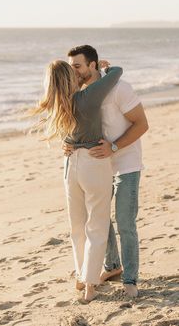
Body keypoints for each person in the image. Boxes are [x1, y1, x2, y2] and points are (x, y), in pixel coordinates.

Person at [30, 59, 123, 301]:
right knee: (97, 224)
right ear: (69, 78)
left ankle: (82, 277)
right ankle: (91, 284)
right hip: (94, 161)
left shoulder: (56, 105)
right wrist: (101, 68)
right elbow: (117, 73)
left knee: (77, 226)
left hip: (70, 164)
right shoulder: (87, 97)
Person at [64, 45, 149, 298]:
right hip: (95, 166)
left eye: (78, 66)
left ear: (93, 65)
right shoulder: (77, 91)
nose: (74, 72)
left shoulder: (119, 88)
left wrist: (114, 146)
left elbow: (142, 123)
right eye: (70, 67)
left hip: (126, 162)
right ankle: (112, 267)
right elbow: (74, 127)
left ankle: (130, 279)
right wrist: (67, 143)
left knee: (125, 222)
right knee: (99, 221)